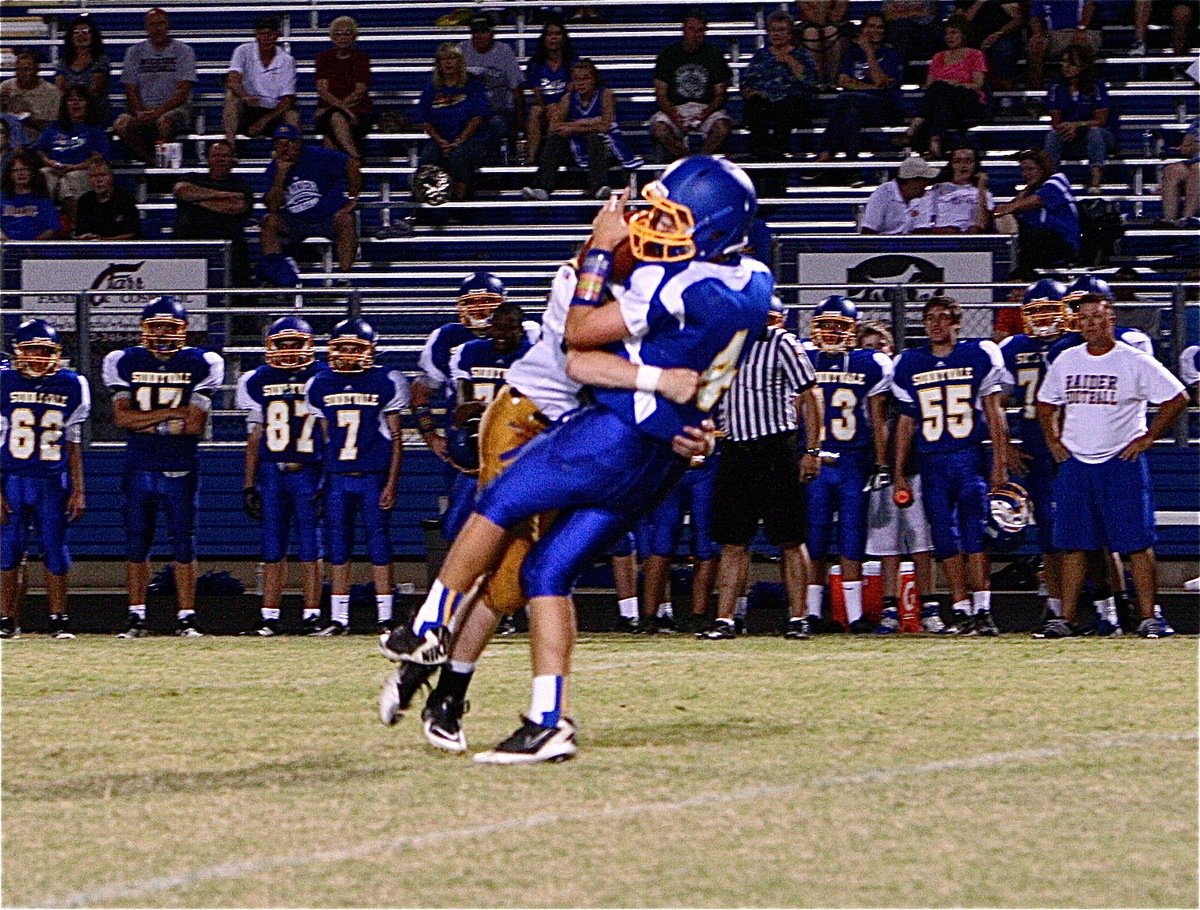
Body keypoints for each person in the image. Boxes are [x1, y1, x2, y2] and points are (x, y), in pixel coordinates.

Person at [383, 157, 771, 764]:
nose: (648, 229)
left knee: (499, 505)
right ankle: (546, 720)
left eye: (669, 220)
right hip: (656, 450)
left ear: (712, 231)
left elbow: (584, 347)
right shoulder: (755, 279)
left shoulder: (663, 281)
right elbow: (623, 363)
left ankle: (431, 626)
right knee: (544, 573)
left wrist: (600, 252)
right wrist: (677, 402)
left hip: (612, 433)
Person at [1036, 293, 1187, 638]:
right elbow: (1045, 403)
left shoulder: (1133, 360)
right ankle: (1067, 619)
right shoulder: (1067, 359)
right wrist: (1053, 440)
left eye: (1097, 316)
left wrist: (1147, 437)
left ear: (1111, 320)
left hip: (1121, 460)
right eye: (1084, 317)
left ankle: (1150, 617)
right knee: (1073, 545)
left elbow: (1177, 397)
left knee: (1136, 543)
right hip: (1077, 461)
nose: (1091, 323)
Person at [101, 296, 224, 638]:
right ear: (144, 329)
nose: (163, 334)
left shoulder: (201, 362)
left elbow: (196, 425)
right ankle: (136, 616)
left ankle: (186, 617)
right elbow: (122, 418)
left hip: (180, 466)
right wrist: (171, 414)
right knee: (137, 542)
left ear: (183, 330)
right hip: (140, 466)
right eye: (156, 327)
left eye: (170, 327)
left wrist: (145, 422)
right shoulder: (125, 360)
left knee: (184, 542)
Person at [700, 298, 822, 641]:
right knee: (733, 540)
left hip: (775, 448)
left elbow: (811, 394)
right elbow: (708, 396)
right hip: (736, 449)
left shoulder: (781, 342)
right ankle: (725, 618)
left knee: (790, 537)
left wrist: (811, 449)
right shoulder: (726, 346)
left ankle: (799, 616)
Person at [891, 295, 1012, 635]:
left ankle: (983, 609)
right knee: (943, 538)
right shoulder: (909, 363)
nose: (937, 323)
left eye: (944, 317)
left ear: (957, 322)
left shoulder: (979, 354)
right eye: (930, 318)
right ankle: (960, 608)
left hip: (968, 456)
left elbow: (994, 411)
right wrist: (898, 472)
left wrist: (999, 463)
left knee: (974, 535)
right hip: (931, 462)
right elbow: (905, 424)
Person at [304, 318, 408, 635]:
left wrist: (391, 482)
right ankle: (339, 618)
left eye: (355, 349)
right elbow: (326, 438)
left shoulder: (386, 381)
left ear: (370, 351)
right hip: (338, 476)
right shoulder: (320, 383)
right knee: (338, 547)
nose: (349, 355)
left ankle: (385, 617)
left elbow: (396, 438)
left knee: (379, 545)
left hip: (372, 476)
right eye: (343, 349)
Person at [801, 296, 893, 635]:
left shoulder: (870, 363)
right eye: (825, 325)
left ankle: (853, 616)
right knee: (815, 538)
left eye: (839, 326)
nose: (831, 332)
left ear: (852, 331)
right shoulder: (804, 358)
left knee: (852, 538)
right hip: (818, 458)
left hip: (854, 460)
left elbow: (877, 417)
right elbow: (796, 412)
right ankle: (810, 613)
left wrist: (882, 462)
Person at [236, 316, 327, 636]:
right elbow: (255, 435)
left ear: (309, 345)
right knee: (272, 547)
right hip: (272, 472)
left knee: (310, 548)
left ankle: (312, 614)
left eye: (295, 344)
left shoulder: (322, 377)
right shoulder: (258, 379)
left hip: (308, 469)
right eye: (282, 344)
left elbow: (328, 433)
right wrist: (249, 483)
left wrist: (327, 476)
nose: (288, 351)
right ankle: (269, 616)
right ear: (269, 348)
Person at [0, 320, 90, 640]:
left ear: (56, 354)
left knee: (55, 548)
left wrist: (78, 488)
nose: (38, 356)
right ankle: (6, 619)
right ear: (17, 353)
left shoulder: (71, 383)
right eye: (31, 350)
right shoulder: (3, 381)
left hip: (53, 481)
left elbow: (73, 442)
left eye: (45, 350)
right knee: (8, 550)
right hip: (13, 477)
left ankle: (58, 618)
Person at [859, 321, 944, 634]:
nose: (875, 354)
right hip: (878, 471)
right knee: (887, 546)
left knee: (921, 542)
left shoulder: (906, 380)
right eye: (867, 348)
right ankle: (891, 608)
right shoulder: (862, 387)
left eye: (879, 346)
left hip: (914, 467)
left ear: (891, 349)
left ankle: (930, 607)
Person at [411, 272, 509, 543]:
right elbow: (419, 394)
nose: (479, 308)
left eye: (487, 301)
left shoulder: (523, 336)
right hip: (466, 449)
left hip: (511, 446)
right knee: (460, 526)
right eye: (473, 302)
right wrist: (431, 437)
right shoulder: (446, 338)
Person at [997, 278, 1071, 630]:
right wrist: (1006, 444)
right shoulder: (1014, 348)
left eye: (1048, 310)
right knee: (1049, 537)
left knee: (1086, 534)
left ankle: (1109, 606)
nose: (1042, 318)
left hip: (1077, 450)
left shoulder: (1076, 343)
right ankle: (1056, 607)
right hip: (1036, 453)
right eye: (1036, 311)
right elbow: (996, 402)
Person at [521, 59, 642, 201]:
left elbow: (605, 126)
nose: (581, 83)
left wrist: (573, 125)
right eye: (577, 79)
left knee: (594, 137)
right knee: (555, 139)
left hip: (605, 148)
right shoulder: (568, 98)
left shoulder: (605, 95)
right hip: (577, 147)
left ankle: (600, 186)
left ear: (594, 79)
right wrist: (590, 123)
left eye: (585, 78)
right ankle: (541, 187)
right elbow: (555, 126)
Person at [261, 123, 361, 276]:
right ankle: (275, 274)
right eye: (280, 144)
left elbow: (352, 164)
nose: (285, 148)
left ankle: (345, 276)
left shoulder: (318, 155)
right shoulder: (274, 168)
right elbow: (273, 206)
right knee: (269, 221)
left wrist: (353, 197)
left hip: (328, 216)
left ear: (299, 143)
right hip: (295, 220)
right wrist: (281, 175)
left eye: (290, 143)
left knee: (346, 220)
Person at [814, 13, 904, 171]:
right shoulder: (852, 54)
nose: (875, 30)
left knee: (845, 98)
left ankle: (826, 151)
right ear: (863, 30)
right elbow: (842, 81)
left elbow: (880, 82)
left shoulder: (891, 55)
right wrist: (872, 87)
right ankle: (852, 165)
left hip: (884, 107)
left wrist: (869, 51)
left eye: (880, 27)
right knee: (851, 114)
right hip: (856, 105)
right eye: (871, 26)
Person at [114, 7, 196, 164]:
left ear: (167, 25)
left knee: (164, 123)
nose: (157, 29)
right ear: (146, 27)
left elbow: (183, 91)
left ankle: (165, 165)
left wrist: (157, 112)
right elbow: (130, 89)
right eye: (152, 24)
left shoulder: (184, 51)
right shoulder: (133, 52)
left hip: (174, 109)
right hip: (143, 109)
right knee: (121, 124)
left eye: (161, 24)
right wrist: (139, 112)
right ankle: (151, 160)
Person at [649, 9, 734, 160]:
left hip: (706, 107)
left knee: (722, 128)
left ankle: (700, 160)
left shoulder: (714, 54)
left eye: (700, 30)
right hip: (675, 107)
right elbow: (661, 94)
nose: (695, 34)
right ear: (683, 30)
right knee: (659, 129)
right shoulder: (669, 54)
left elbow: (720, 94)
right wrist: (675, 117)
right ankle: (686, 159)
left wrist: (705, 113)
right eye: (691, 29)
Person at [898, 16, 988, 158]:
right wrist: (946, 85)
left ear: (963, 34)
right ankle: (935, 141)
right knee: (942, 98)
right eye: (946, 33)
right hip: (943, 99)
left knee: (943, 91)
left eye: (953, 33)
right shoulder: (939, 56)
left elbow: (977, 84)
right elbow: (930, 85)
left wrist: (955, 84)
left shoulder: (975, 54)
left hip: (968, 98)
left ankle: (916, 124)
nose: (949, 37)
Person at [414, 43, 490, 203]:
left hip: (469, 140)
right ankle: (425, 202)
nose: (448, 63)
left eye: (452, 59)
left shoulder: (473, 86)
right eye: (443, 59)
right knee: (429, 155)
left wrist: (458, 141)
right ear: (438, 64)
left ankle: (458, 202)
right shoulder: (431, 89)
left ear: (459, 62)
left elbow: (477, 117)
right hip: (439, 140)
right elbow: (424, 120)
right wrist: (440, 141)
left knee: (459, 156)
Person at [172, 139, 254, 286]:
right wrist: (225, 196)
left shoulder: (240, 185)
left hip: (228, 245)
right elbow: (181, 190)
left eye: (225, 156)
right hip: (190, 243)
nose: (221, 160)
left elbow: (239, 206)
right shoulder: (193, 177)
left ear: (232, 159)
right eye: (216, 156)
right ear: (208, 159)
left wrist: (198, 201)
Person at [742, 10, 817, 161]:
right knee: (754, 105)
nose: (777, 34)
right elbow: (745, 82)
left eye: (782, 30)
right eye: (773, 30)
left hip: (791, 102)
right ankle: (760, 152)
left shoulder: (801, 55)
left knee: (790, 106)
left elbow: (810, 80)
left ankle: (776, 151)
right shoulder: (761, 55)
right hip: (765, 102)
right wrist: (751, 92)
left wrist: (789, 61)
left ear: (790, 34)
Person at [993, 149, 1079, 273]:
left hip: (1061, 241)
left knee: (1029, 236)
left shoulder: (1057, 180)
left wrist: (1010, 207)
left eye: (1030, 169)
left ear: (1042, 168)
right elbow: (1003, 211)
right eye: (1023, 170)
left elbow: (1037, 200)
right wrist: (1023, 193)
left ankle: (1018, 269)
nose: (1026, 174)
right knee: (1006, 221)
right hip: (1036, 243)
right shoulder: (1029, 191)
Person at [1043, 45, 1112, 196]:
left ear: (1083, 66)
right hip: (1069, 136)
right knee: (1053, 135)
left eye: (1071, 63)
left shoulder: (1096, 86)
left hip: (1096, 136)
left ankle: (1095, 182)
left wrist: (1078, 125)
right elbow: (1056, 121)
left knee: (1095, 132)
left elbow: (1101, 120)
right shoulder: (1056, 87)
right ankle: (1048, 181)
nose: (1065, 66)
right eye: (1063, 61)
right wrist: (1068, 129)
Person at [222, 16, 300, 147]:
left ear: (277, 36)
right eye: (262, 34)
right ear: (256, 35)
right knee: (231, 98)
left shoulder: (287, 60)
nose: (266, 38)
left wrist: (263, 121)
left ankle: (294, 155)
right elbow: (233, 79)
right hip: (249, 107)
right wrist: (245, 96)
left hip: (273, 111)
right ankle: (230, 147)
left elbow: (288, 100)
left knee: (292, 115)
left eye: (270, 34)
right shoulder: (242, 51)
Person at [35, 86, 111, 220]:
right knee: (43, 175)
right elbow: (38, 150)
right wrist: (50, 163)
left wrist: (74, 167)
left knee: (68, 182)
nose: (75, 103)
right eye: (71, 100)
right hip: (54, 168)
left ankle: (76, 226)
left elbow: (100, 157)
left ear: (87, 103)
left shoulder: (95, 129)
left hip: (81, 170)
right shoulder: (53, 127)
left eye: (80, 100)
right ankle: (40, 223)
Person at [459, 12, 523, 160]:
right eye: (475, 31)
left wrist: (519, 121)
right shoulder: (460, 50)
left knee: (498, 125)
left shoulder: (504, 51)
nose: (479, 35)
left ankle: (492, 163)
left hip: (497, 111)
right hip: (468, 112)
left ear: (492, 33)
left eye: (483, 31)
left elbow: (516, 88)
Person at [315, 16, 373, 161]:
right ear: (332, 37)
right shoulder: (324, 58)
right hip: (332, 112)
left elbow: (359, 92)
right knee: (335, 118)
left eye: (347, 33)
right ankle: (355, 158)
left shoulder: (361, 59)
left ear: (354, 36)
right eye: (338, 34)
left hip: (358, 112)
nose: (342, 38)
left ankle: (349, 165)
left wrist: (339, 109)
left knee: (331, 136)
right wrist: (344, 110)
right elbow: (323, 91)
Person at [524, 17, 578, 163]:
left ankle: (548, 158)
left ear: (563, 38)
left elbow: (570, 93)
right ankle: (531, 158)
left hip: (567, 108)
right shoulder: (535, 64)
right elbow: (537, 93)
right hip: (544, 107)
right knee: (535, 111)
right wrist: (546, 108)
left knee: (556, 111)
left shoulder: (572, 62)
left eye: (557, 34)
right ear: (544, 38)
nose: (553, 38)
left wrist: (557, 108)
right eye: (549, 34)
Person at [912, 145, 994, 234]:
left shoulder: (983, 194)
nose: (963, 166)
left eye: (968, 161)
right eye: (957, 161)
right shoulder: (936, 190)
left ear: (975, 164)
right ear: (951, 165)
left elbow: (982, 225)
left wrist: (981, 187)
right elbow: (921, 227)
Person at [952, 0, 1023, 96]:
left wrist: (998, 34)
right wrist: (979, 2)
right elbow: (960, 21)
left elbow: (1018, 19)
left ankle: (1005, 88)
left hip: (1001, 35)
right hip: (974, 37)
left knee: (1004, 47)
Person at [1027, 0, 1099, 91]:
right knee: (1035, 46)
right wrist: (1038, 35)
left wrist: (1081, 29)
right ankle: (1036, 93)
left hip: (1083, 30)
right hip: (1052, 34)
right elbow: (1034, 18)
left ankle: (1086, 88)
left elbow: (1090, 6)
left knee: (1082, 44)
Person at [859, 155, 939, 235]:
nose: (927, 184)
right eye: (924, 180)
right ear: (912, 180)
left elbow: (921, 230)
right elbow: (868, 229)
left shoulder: (924, 197)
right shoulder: (883, 193)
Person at [55, 15, 111, 126]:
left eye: (85, 32)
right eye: (76, 32)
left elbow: (95, 90)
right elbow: (61, 88)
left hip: (96, 115)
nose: (80, 35)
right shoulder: (62, 63)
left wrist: (78, 101)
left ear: (93, 35)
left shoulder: (101, 61)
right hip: (69, 115)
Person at [0, 50, 61, 143]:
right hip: (8, 143)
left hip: (39, 142)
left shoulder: (52, 92)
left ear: (37, 70)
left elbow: (55, 127)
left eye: (27, 69)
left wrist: (31, 121)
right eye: (19, 69)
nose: (22, 74)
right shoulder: (5, 87)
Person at [73, 158, 141, 240]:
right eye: (93, 176)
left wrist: (103, 240)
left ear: (111, 177)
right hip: (92, 250)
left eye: (102, 175)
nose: (98, 180)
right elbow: (80, 233)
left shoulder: (125, 199)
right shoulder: (84, 201)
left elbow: (131, 234)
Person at [1, 151, 62, 241]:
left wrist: (31, 246)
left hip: (35, 249)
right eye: (16, 170)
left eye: (25, 169)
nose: (20, 173)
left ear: (32, 173)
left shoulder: (42, 199)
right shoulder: (2, 198)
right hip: (6, 248)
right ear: (10, 175)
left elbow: (52, 228)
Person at [795, 1, 850, 87]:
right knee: (811, 34)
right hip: (808, 29)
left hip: (840, 30)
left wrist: (818, 6)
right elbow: (813, 17)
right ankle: (817, 81)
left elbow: (836, 16)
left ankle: (832, 81)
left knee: (830, 31)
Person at [883, 1, 942, 81]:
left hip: (926, 29)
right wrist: (914, 13)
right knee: (900, 29)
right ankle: (901, 74)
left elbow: (929, 13)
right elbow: (888, 16)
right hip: (901, 29)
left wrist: (903, 14)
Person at [1158, 116, 1198, 227]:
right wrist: (1192, 147)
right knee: (1172, 170)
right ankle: (1169, 218)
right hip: (1194, 161)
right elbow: (1185, 148)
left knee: (1197, 169)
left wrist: (1196, 146)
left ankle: (1187, 218)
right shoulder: (1197, 123)